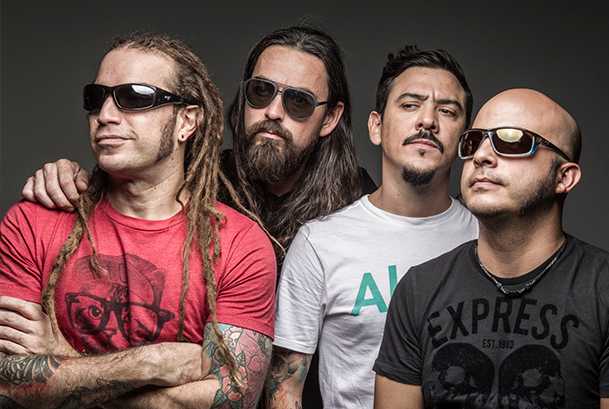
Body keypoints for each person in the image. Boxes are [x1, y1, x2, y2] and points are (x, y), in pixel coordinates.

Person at [0, 31, 276, 408]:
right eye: (96, 98)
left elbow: (232, 401)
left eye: (134, 98)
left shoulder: (240, 245)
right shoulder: (33, 222)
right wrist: (149, 364)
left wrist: (61, 358)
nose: (105, 115)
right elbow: (7, 388)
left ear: (186, 121)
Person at [20, 25, 376, 267]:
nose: (272, 111)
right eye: (260, 91)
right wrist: (72, 177)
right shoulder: (197, 178)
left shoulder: (359, 202)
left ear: (329, 118)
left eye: (299, 101)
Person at [373, 89, 609, 408]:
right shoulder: (417, 289)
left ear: (564, 177)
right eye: (473, 141)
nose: (481, 156)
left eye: (512, 141)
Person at [265, 46, 479, 409]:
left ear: (465, 139)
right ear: (376, 127)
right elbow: (284, 391)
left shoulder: (486, 238)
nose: (428, 120)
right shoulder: (321, 243)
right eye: (410, 105)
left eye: (447, 111)